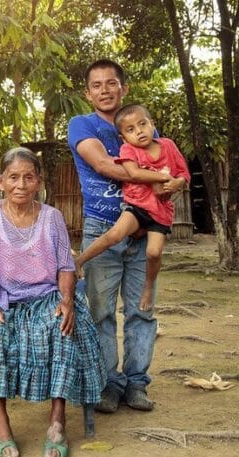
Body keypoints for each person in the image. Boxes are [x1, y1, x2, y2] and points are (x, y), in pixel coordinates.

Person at [0, 148, 104, 457]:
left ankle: (57, 422)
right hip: (0, 299)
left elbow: (66, 267)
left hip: (45, 298)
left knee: (62, 329)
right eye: (13, 177)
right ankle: (1, 423)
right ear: (1, 182)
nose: (21, 184)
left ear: (38, 182)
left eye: (28, 177)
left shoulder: (52, 217)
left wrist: (66, 301)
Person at [67, 59, 163, 414]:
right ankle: (108, 384)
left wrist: (170, 181)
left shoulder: (142, 126)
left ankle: (137, 384)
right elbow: (104, 166)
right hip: (101, 229)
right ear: (87, 92)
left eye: (111, 83)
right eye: (97, 85)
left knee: (142, 310)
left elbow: (170, 174)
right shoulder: (81, 124)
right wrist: (152, 174)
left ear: (124, 88)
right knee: (100, 313)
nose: (105, 90)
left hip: (145, 229)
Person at [75, 103, 190, 311]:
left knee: (154, 253)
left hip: (161, 212)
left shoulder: (168, 146)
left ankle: (148, 286)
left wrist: (178, 182)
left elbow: (184, 173)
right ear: (123, 137)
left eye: (142, 124)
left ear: (152, 125)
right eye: (130, 130)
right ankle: (79, 261)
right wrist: (164, 177)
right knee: (114, 235)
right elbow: (134, 174)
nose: (139, 132)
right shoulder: (128, 150)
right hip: (138, 206)